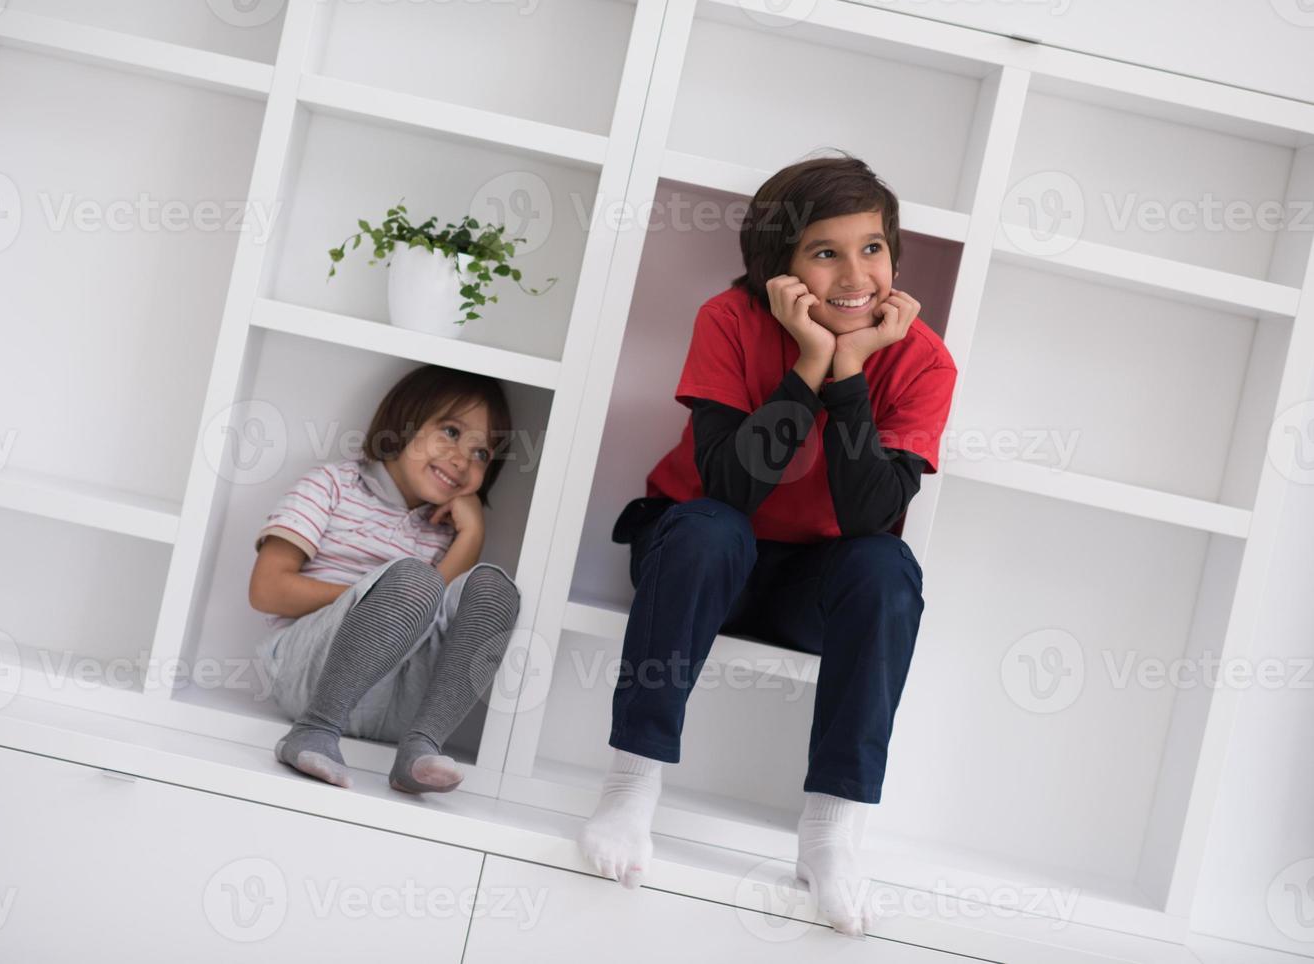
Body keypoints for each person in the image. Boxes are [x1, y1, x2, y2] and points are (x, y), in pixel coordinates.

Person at [577, 153, 957, 936]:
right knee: (712, 527)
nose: (857, 275)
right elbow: (729, 489)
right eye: (825, 252)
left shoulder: (920, 359)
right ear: (778, 266)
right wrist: (809, 363)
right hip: (697, 554)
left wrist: (849, 372)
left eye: (873, 247)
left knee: (888, 566)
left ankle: (830, 831)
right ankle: (629, 788)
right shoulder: (730, 320)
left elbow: (868, 517)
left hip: (808, 585)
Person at [249, 365, 521, 794]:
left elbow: (430, 614)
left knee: (496, 589)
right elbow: (266, 590)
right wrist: (373, 599)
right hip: (309, 679)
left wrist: (472, 537)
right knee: (414, 581)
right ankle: (313, 731)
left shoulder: (446, 532)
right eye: (451, 432)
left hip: (395, 705)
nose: (462, 460)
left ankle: (422, 746)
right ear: (404, 420)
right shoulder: (335, 485)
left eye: (482, 453)